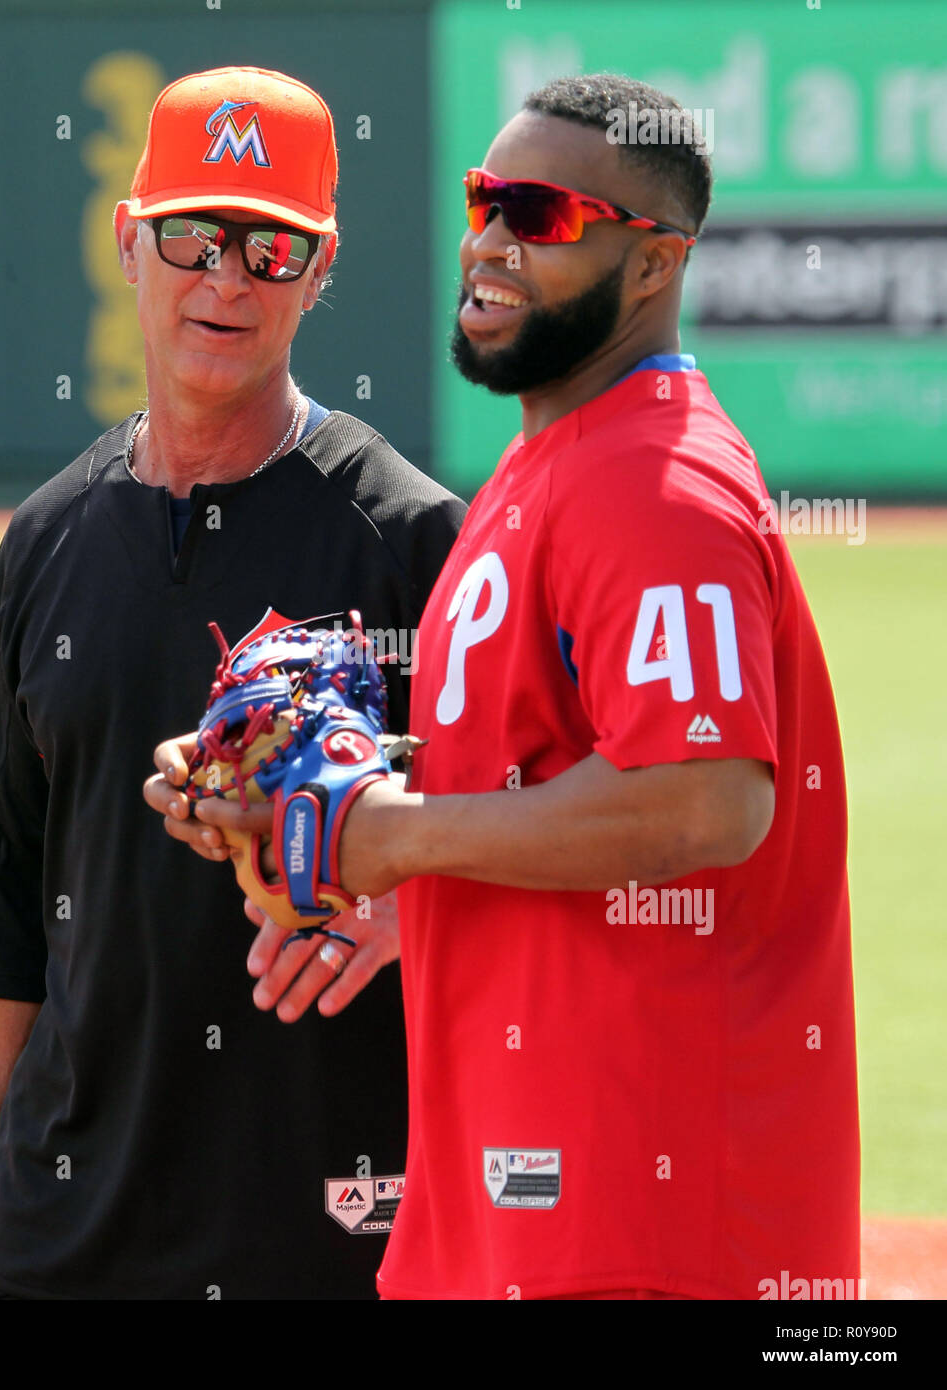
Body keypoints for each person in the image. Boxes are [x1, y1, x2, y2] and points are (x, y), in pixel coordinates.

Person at [170, 74, 860, 1301]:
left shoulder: (661, 485)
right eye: (486, 201)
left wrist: (391, 833)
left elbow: (706, 799)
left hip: (644, 1223)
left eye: (539, 215)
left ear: (654, 265)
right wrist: (328, 816)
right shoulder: (538, 475)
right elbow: (523, 788)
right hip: (520, 1203)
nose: (488, 240)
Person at [0, 64, 464, 1300]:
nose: (225, 278)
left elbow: (522, 848)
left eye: (270, 249)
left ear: (322, 266)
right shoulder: (47, 541)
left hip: (324, 1226)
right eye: (192, 235)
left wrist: (396, 911)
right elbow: (0, 903)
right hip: (62, 1231)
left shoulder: (410, 541)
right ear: (130, 241)